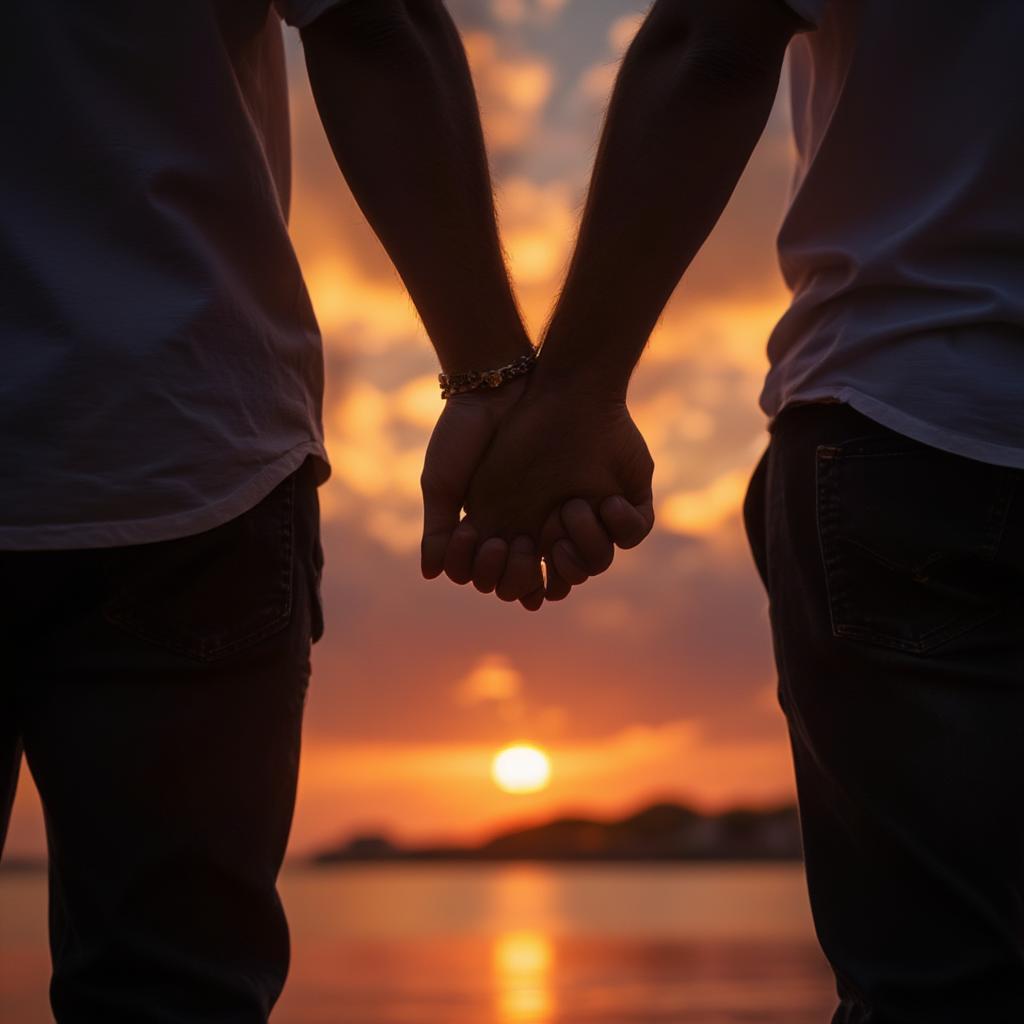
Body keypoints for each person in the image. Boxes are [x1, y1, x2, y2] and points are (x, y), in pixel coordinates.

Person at [0, 1, 642, 1019]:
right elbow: (371, 22)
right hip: (176, 446)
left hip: (187, 473)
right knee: (171, 991)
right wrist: (496, 381)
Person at [438, 0, 1024, 1020]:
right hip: (913, 443)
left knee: (942, 986)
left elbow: (714, 38)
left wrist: (567, 391)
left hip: (921, 417)